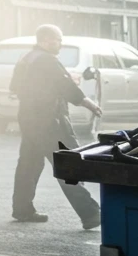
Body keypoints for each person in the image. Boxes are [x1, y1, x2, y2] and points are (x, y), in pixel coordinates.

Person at [9, 24, 103, 228]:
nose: (60, 43)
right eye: (56, 40)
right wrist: (90, 104)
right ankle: (90, 213)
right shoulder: (47, 60)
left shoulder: (27, 58)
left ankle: (22, 209)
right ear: (44, 40)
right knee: (67, 164)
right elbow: (67, 88)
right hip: (49, 121)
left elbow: (15, 87)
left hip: (28, 119)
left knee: (29, 164)